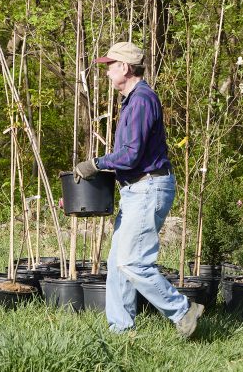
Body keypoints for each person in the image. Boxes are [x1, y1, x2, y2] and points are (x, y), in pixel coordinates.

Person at [74, 41, 203, 338]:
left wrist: (95, 163)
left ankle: (183, 310)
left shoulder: (142, 100)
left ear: (125, 67)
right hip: (136, 190)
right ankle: (120, 330)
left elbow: (130, 154)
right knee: (119, 263)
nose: (106, 72)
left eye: (110, 66)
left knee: (133, 262)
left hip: (148, 188)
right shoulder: (132, 99)